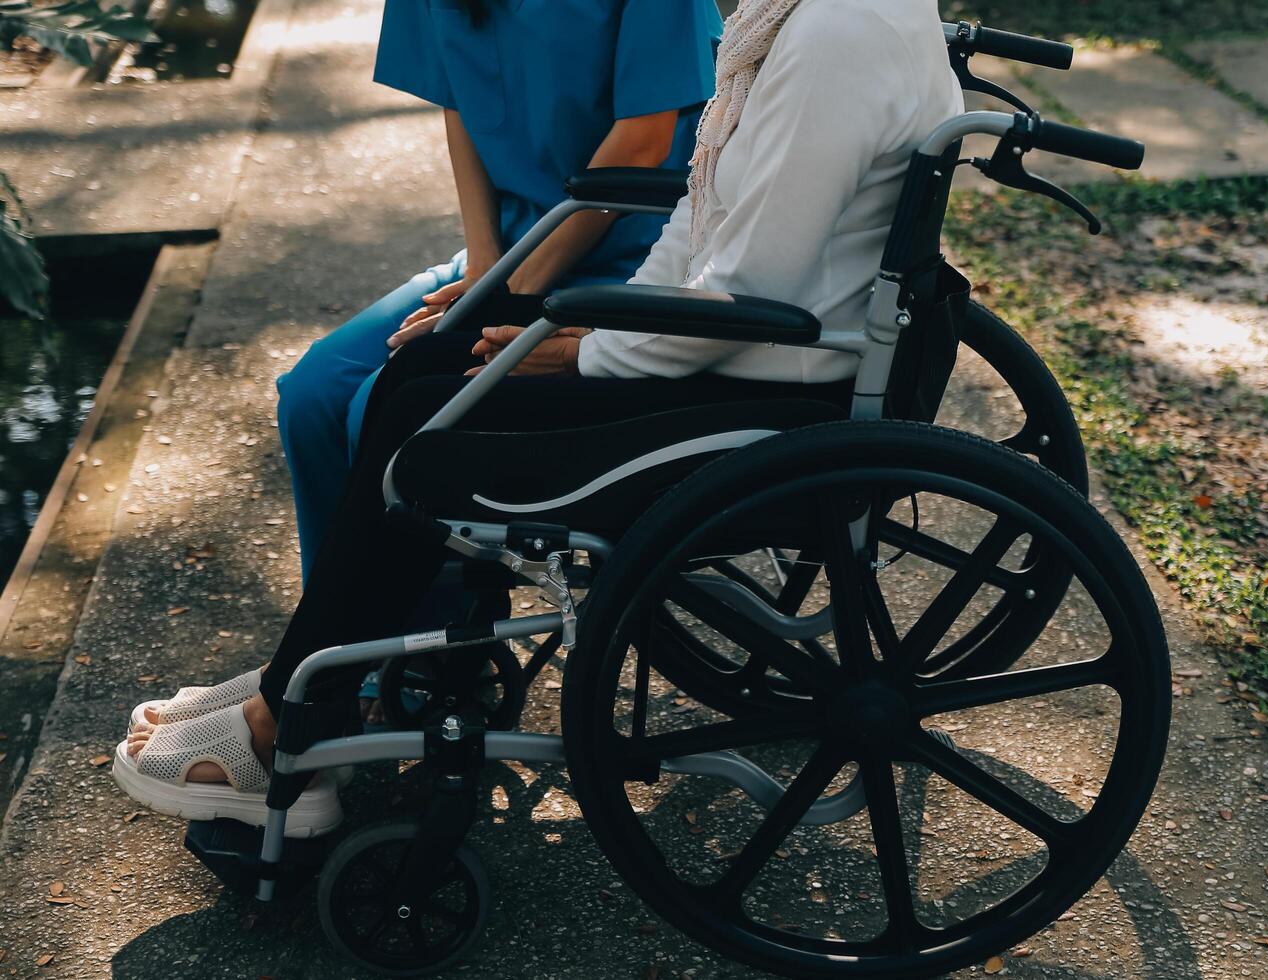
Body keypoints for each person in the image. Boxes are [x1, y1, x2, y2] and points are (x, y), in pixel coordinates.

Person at [113, 0, 966, 835]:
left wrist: (593, 350)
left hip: (762, 379)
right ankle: (308, 681)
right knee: (420, 372)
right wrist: (607, 320)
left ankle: (296, 718)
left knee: (424, 417)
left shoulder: (837, 33)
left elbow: (748, 283)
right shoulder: (813, 20)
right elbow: (705, 225)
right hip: (735, 348)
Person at [275, 0, 723, 579]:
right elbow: (459, 99)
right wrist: (486, 263)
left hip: (636, 258)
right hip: (508, 254)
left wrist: (512, 288)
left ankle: (429, 648)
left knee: (379, 413)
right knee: (311, 395)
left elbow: (645, 140)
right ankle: (336, 643)